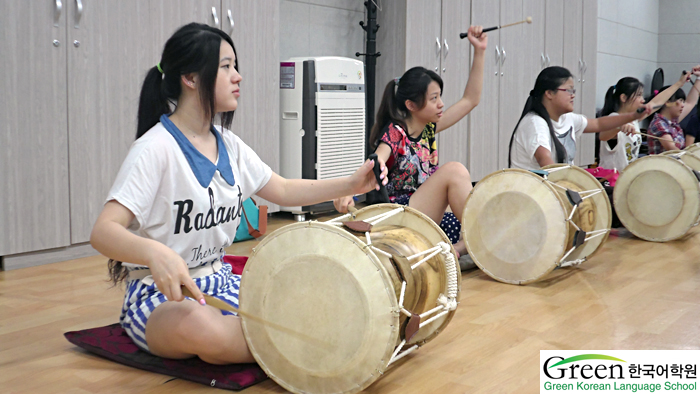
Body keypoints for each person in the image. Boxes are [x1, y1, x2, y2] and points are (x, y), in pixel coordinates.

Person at [89, 23, 387, 365]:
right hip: (160, 295)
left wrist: (350, 184)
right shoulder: (154, 149)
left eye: (235, 66)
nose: (238, 76)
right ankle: (321, 349)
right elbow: (103, 231)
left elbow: (285, 188)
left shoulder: (229, 144)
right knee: (204, 327)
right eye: (226, 66)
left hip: (220, 280)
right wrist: (155, 253)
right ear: (191, 78)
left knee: (307, 295)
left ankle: (314, 343)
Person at [333, 26, 487, 263]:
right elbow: (375, 161)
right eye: (434, 98)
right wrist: (348, 191)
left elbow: (470, 100)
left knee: (474, 221)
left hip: (422, 211)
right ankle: (469, 248)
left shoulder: (427, 128)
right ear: (412, 105)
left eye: (440, 96)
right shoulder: (396, 133)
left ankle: (458, 249)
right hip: (398, 217)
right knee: (454, 171)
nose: (441, 104)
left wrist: (480, 51)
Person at [508, 66, 652, 171]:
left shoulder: (567, 119)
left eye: (573, 90)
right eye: (568, 90)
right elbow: (547, 164)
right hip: (533, 198)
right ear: (549, 93)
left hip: (554, 191)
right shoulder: (535, 124)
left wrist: (632, 116)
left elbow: (597, 123)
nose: (573, 95)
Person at [598, 72, 692, 171]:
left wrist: (679, 83)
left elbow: (656, 102)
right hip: (610, 180)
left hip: (626, 177)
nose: (642, 100)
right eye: (638, 95)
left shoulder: (633, 119)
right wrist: (619, 126)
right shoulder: (613, 118)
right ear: (624, 98)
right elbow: (603, 136)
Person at [648, 67, 700, 154]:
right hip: (662, 166)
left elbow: (690, 102)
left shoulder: (672, 121)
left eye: (683, 101)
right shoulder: (659, 123)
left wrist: (698, 78)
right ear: (667, 102)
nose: (683, 105)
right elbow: (672, 149)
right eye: (680, 101)